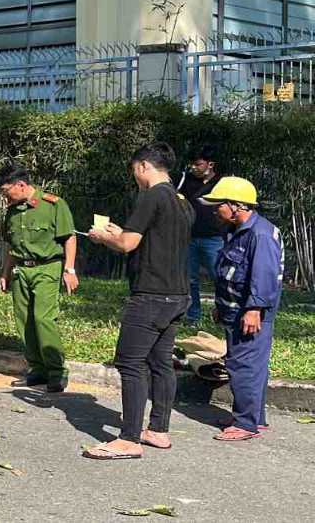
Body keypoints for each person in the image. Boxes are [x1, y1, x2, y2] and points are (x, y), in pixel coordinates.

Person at [84, 142, 193, 460]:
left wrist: (105, 237)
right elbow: (152, 241)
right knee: (161, 362)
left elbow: (127, 245)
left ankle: (129, 438)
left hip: (150, 295)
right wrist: (120, 233)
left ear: (143, 166)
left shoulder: (151, 196)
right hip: (177, 294)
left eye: (134, 170)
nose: (135, 176)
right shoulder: (181, 201)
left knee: (130, 363)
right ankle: (158, 430)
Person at [201, 177, 282, 441]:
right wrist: (220, 305)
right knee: (250, 365)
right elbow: (229, 273)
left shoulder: (260, 234)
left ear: (237, 205)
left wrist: (254, 309)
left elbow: (264, 275)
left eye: (219, 204)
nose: (215, 210)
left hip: (250, 313)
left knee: (244, 365)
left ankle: (246, 424)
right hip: (235, 310)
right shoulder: (236, 230)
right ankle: (254, 418)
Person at [0, 164, 78, 393]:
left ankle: (57, 371)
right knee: (24, 320)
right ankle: (38, 369)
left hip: (47, 268)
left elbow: (69, 238)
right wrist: (5, 273)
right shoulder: (12, 211)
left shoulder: (54, 205)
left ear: (21, 185)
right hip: (21, 271)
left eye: (6, 191)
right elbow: (12, 246)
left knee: (43, 319)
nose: (4, 197)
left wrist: (69, 270)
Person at [177, 145, 224, 325]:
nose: (194, 167)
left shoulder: (222, 182)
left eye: (198, 164)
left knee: (220, 277)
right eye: (192, 164)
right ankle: (192, 316)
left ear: (210, 164)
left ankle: (223, 313)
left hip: (214, 238)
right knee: (190, 279)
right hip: (189, 237)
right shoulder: (185, 181)